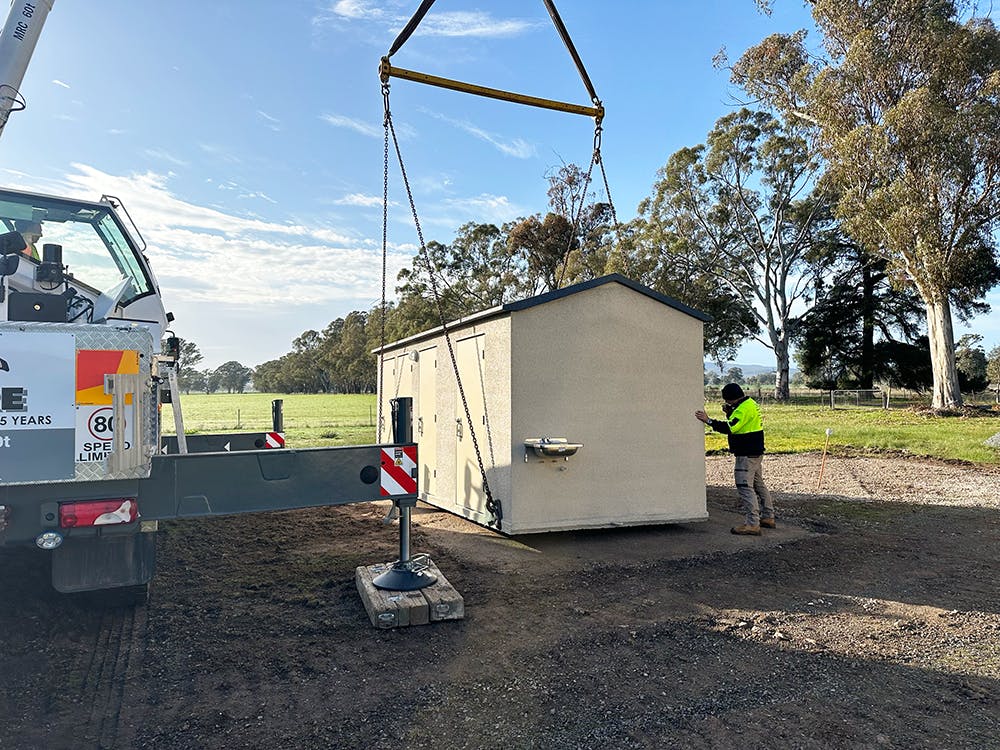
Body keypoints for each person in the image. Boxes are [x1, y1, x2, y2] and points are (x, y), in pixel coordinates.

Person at [695, 382, 776, 536]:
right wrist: (729, 411)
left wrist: (708, 420)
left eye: (728, 401)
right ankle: (768, 517)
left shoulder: (742, 409)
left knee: (745, 487)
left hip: (746, 454)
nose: (727, 404)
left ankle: (752, 524)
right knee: (759, 485)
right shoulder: (749, 403)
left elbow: (731, 427)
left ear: (732, 398)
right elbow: (739, 421)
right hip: (755, 453)